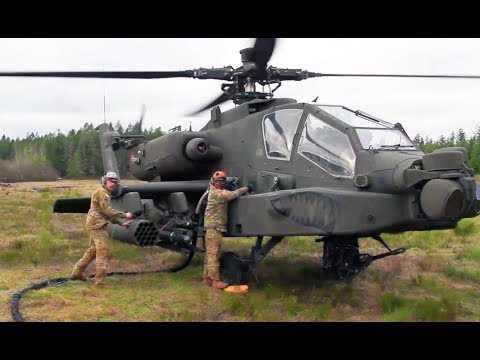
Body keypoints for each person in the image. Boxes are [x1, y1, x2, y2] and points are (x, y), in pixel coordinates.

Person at [71, 171, 134, 285]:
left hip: (95, 224)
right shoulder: (102, 193)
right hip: (97, 225)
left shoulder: (104, 193)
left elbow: (105, 214)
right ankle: (99, 281)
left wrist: (122, 223)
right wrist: (125, 215)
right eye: (110, 181)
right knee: (103, 251)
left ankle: (77, 273)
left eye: (114, 182)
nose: (112, 183)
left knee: (92, 251)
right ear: (104, 181)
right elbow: (108, 211)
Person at [202, 170, 250, 289]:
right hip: (214, 228)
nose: (219, 183)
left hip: (212, 227)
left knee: (210, 254)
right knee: (214, 255)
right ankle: (215, 281)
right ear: (213, 181)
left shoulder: (213, 191)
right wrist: (246, 188)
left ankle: (207, 278)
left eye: (222, 181)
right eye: (217, 181)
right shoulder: (217, 194)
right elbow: (233, 195)